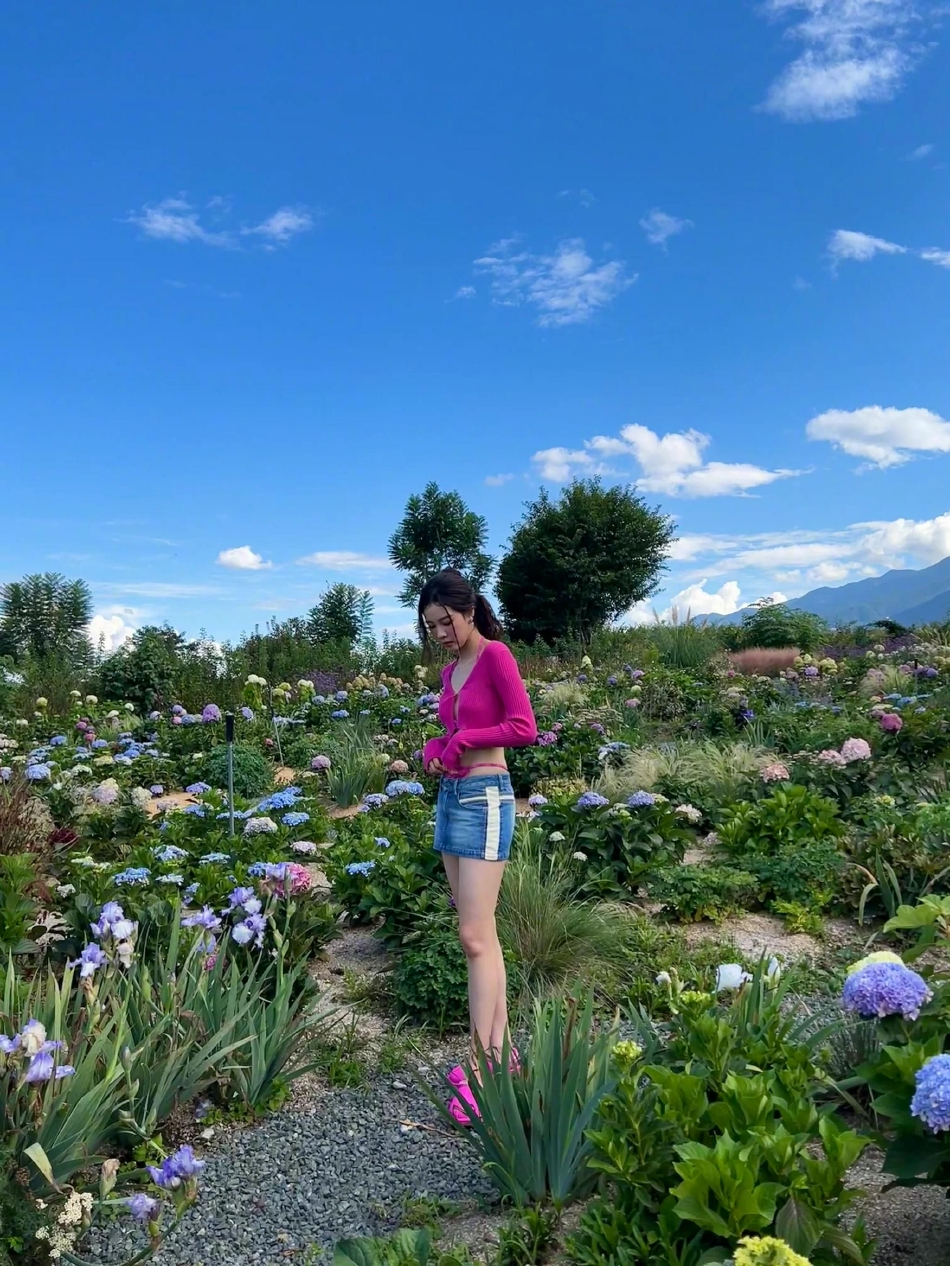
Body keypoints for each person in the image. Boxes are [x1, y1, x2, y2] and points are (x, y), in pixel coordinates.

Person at [419, 569, 537, 1125]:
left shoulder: (496, 657)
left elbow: (523, 727)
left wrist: (465, 739)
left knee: (472, 935)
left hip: (487, 797)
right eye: (430, 626)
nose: (441, 632)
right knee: (481, 935)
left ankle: (482, 1065)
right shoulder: (450, 671)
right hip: (450, 795)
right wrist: (438, 745)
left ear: (469, 611)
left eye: (447, 621)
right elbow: (455, 730)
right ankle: (502, 1052)